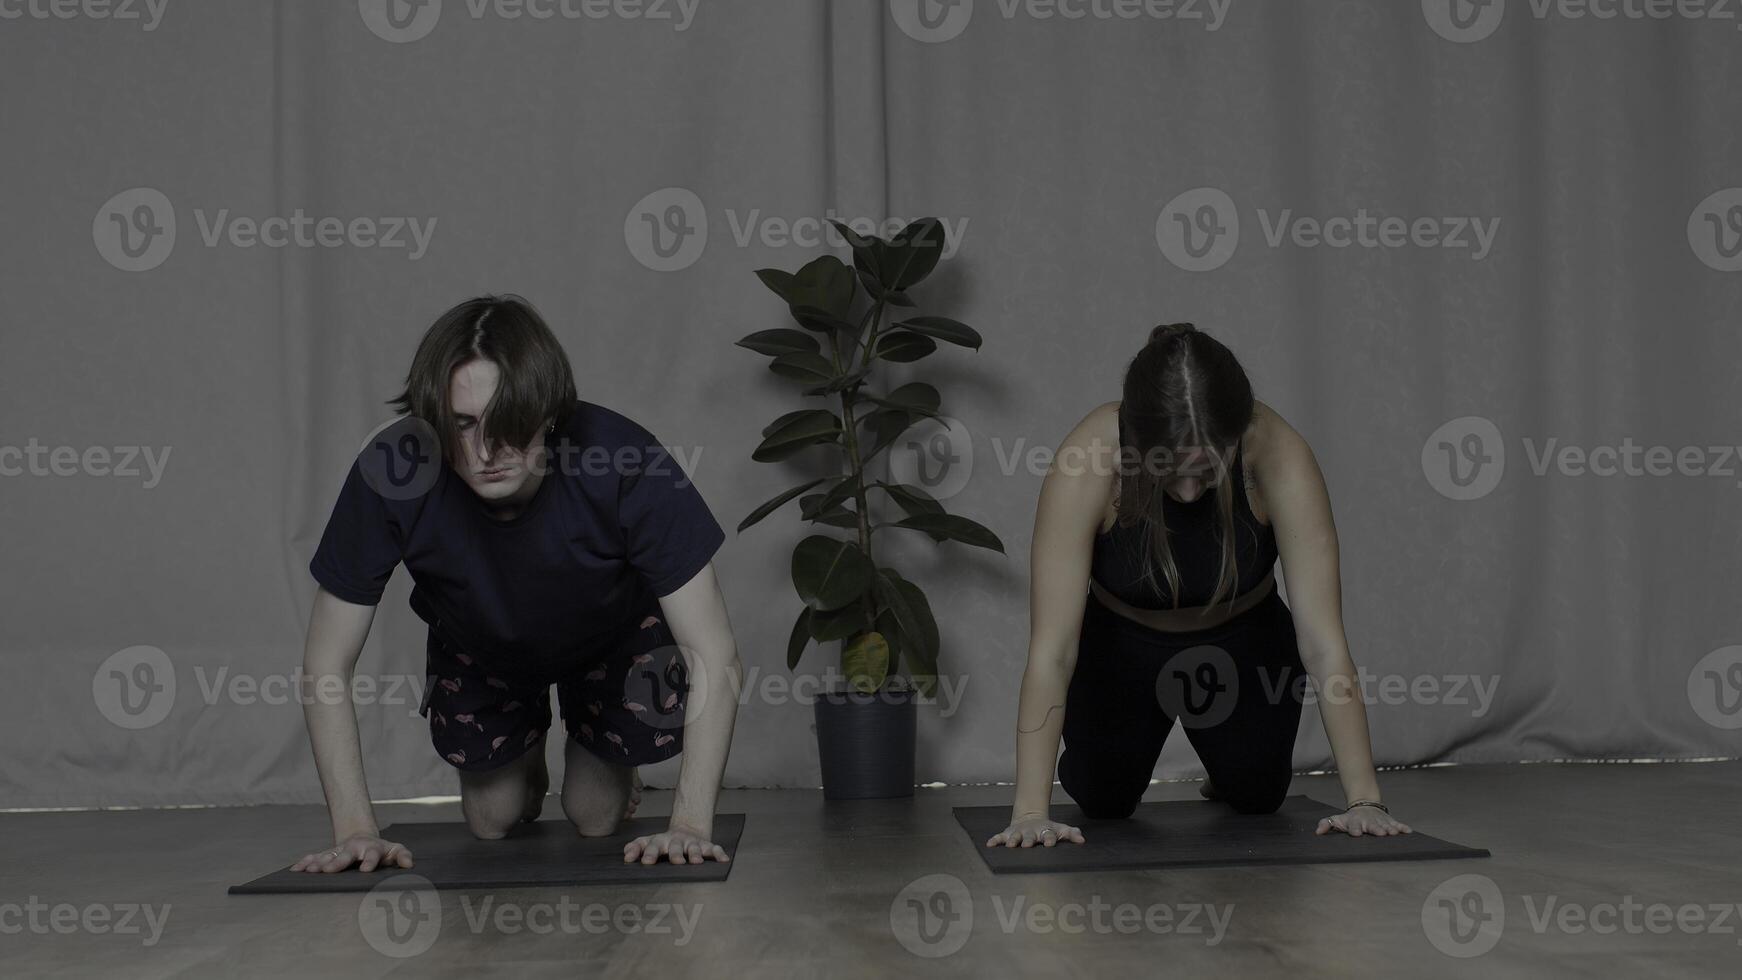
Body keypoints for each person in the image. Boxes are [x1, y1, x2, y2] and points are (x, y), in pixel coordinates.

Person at [291, 295, 741, 871]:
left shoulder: (625, 458)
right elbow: (326, 662)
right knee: (492, 820)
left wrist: (688, 824)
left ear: (548, 411)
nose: (487, 452)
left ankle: (606, 759)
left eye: (509, 421)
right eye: (463, 425)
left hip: (610, 638)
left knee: (594, 816)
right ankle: (523, 753)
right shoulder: (394, 469)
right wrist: (355, 830)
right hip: (479, 641)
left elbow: (714, 651)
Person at [989, 322, 1411, 848]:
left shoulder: (1277, 452)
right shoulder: (1089, 459)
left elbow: (1324, 643)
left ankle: (1230, 761)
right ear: (1138, 439)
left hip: (1242, 641)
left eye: (1206, 470)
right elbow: (1052, 650)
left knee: (1257, 796)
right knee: (1103, 801)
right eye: (1172, 471)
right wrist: (1029, 812)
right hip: (1122, 646)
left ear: (1234, 438)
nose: (1189, 493)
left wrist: (1365, 801)